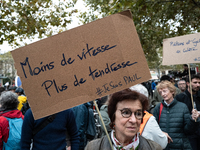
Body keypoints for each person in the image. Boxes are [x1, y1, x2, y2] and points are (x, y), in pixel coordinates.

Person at [85, 89, 162, 150]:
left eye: (138, 113)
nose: (134, 120)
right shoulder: (93, 147)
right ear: (113, 116)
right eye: (126, 113)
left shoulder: (154, 148)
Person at [153, 80, 200, 150]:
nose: (163, 94)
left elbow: (188, 130)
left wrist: (193, 119)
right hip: (164, 146)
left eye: (165, 91)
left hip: (180, 147)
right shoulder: (158, 107)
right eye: (160, 92)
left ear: (172, 91)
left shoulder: (183, 107)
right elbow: (154, 127)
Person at [175, 74, 200, 150]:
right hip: (188, 134)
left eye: (199, 82)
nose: (198, 85)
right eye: (195, 82)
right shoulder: (180, 98)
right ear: (188, 83)